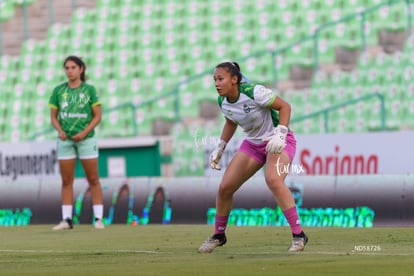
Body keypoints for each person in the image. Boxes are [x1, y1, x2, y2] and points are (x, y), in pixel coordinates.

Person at [198, 61, 308, 253]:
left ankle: (299, 235)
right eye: (215, 79)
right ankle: (219, 235)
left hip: (278, 139)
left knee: (273, 180)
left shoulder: (253, 91)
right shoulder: (222, 101)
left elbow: (285, 107)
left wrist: (280, 134)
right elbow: (231, 121)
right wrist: (220, 147)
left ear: (234, 79)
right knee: (225, 188)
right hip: (254, 144)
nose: (216, 83)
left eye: (220, 79)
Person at [48, 55, 105, 230]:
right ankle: (66, 219)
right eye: (67, 68)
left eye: (73, 67)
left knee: (93, 179)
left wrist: (83, 133)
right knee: (66, 180)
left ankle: (98, 219)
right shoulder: (58, 91)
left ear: (81, 69)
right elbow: (53, 117)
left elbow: (97, 116)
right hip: (65, 141)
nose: (70, 71)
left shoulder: (89, 90)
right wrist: (60, 131)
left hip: (86, 139)